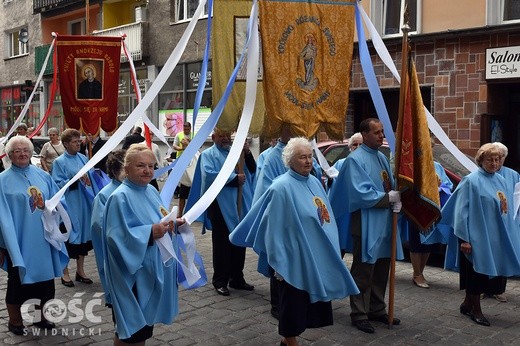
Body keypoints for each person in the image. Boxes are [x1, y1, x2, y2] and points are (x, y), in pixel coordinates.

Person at [230, 137, 359, 346]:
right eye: (302, 157)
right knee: (292, 304)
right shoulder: (280, 187)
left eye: (310, 156)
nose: (308, 161)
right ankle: (290, 341)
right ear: (290, 160)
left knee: (306, 303)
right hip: (291, 258)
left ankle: (287, 340)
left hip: (314, 255)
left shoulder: (315, 181)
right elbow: (273, 229)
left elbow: (324, 216)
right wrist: (277, 263)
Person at [103, 144, 184, 344]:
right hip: (132, 274)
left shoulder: (150, 190)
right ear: (127, 168)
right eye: (141, 166)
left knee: (145, 327)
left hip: (151, 268)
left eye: (151, 165)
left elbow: (159, 218)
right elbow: (116, 237)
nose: (147, 170)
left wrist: (172, 224)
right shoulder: (119, 197)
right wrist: (149, 233)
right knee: (131, 329)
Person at [438, 143, 520, 326]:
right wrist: (465, 239)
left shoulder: (501, 180)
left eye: (497, 159)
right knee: (476, 272)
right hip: (475, 236)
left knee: (485, 271)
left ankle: (467, 303)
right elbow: (460, 212)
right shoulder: (471, 180)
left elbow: (505, 208)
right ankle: (476, 309)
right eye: (489, 159)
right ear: (480, 160)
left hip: (494, 236)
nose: (494, 163)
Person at [338, 118, 403, 334]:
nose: (381, 136)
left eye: (382, 132)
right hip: (366, 221)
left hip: (384, 221)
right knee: (363, 269)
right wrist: (388, 198)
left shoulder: (382, 158)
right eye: (376, 132)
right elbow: (360, 193)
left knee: (382, 267)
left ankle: (376, 308)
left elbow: (389, 184)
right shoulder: (354, 160)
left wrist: (397, 195)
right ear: (364, 134)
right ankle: (359, 312)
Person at [0, 136, 68, 335]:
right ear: (10, 155)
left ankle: (41, 318)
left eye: (25, 150)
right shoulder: (2, 181)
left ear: (31, 153)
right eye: (17, 150)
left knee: (46, 283)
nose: (22, 153)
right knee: (17, 282)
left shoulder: (43, 175)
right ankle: (15, 321)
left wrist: (55, 212)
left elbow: (57, 199)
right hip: (17, 242)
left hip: (43, 240)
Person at [187, 128, 256, 296]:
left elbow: (252, 170)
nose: (225, 139)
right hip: (219, 206)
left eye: (227, 135)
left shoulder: (237, 152)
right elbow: (210, 176)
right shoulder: (208, 155)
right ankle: (220, 280)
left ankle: (237, 278)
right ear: (214, 137)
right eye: (222, 136)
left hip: (239, 204)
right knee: (222, 244)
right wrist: (234, 179)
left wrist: (247, 153)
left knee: (239, 241)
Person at [52, 128, 99, 287]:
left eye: (79, 141)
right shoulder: (59, 162)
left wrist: (90, 178)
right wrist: (75, 180)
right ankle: (65, 273)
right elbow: (57, 184)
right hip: (69, 205)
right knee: (68, 236)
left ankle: (80, 270)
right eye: (74, 141)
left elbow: (91, 176)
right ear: (65, 144)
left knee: (83, 239)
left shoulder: (83, 158)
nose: (78, 143)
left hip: (84, 204)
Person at [405, 138, 454, 289]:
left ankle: (421, 271)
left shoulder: (437, 166)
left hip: (432, 208)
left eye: (430, 147)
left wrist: (440, 187)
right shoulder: (412, 166)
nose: (428, 151)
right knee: (416, 241)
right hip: (417, 208)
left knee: (429, 242)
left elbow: (448, 184)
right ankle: (416, 273)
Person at [478, 142, 520, 303]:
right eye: (495, 157)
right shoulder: (483, 174)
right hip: (489, 221)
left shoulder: (513, 175)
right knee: (486, 254)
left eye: (501, 157)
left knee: (503, 254)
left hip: (508, 220)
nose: (498, 161)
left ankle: (498, 290)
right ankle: (482, 289)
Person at [91, 149, 126, 308]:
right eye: (124, 168)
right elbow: (100, 225)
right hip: (118, 253)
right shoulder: (105, 195)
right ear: (114, 170)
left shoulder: (142, 189)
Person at [328, 132, 363, 257]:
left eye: (361, 144)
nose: (357, 147)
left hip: (360, 209)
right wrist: (331, 179)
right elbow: (332, 184)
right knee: (341, 239)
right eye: (355, 145)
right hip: (344, 210)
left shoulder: (366, 162)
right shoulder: (341, 163)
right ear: (350, 147)